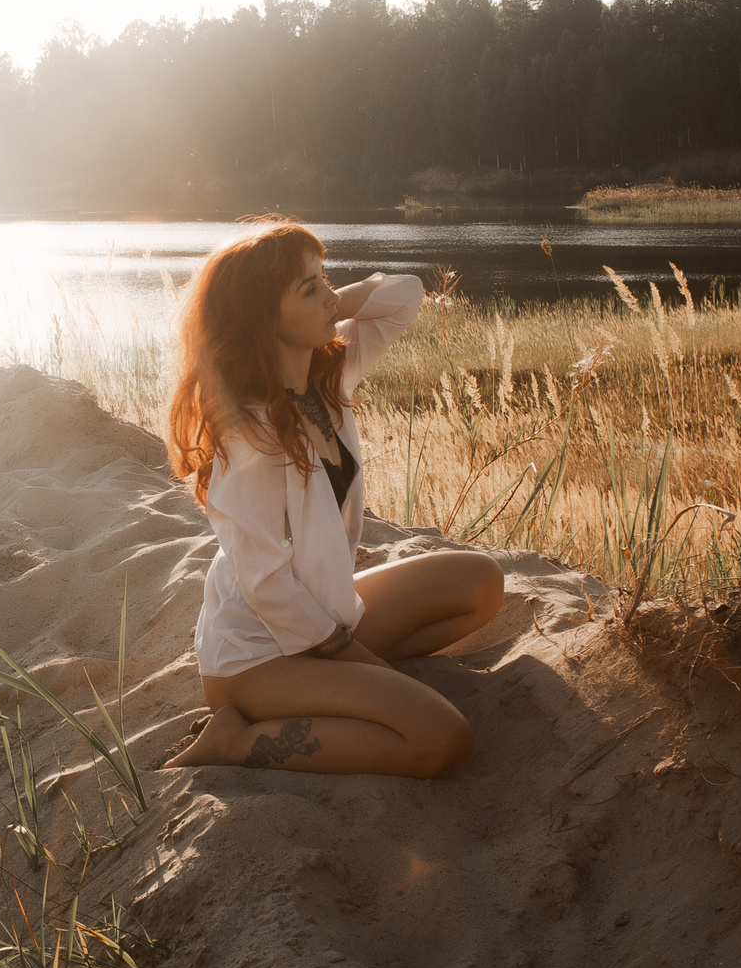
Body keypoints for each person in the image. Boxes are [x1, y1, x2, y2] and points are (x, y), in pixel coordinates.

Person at [161, 219, 503, 777]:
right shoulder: (251, 436)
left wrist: (325, 299)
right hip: (257, 655)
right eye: (309, 288)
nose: (329, 295)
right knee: (441, 739)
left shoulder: (326, 382)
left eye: (326, 278)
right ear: (263, 320)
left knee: (480, 583)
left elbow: (405, 296)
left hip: (325, 615)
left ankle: (346, 688)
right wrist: (361, 661)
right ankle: (233, 741)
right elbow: (267, 585)